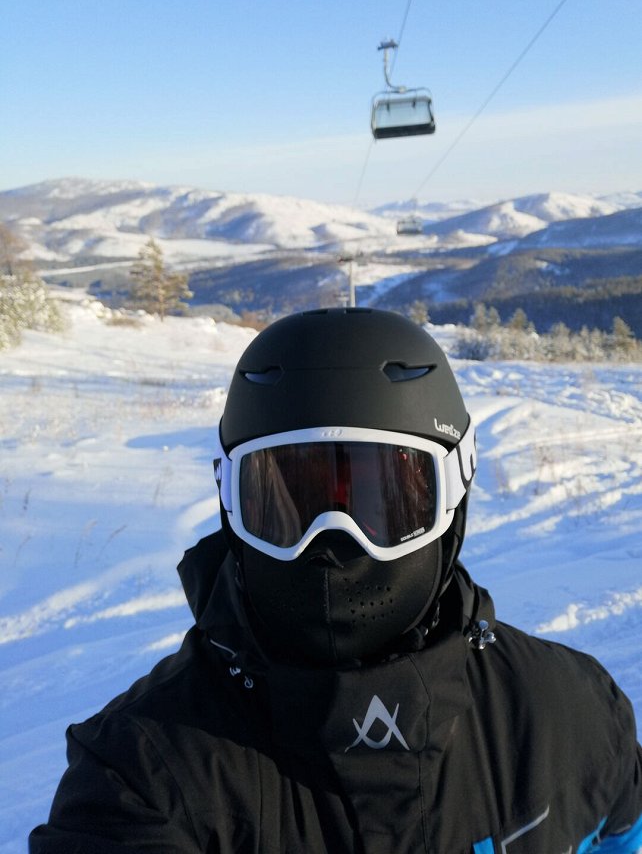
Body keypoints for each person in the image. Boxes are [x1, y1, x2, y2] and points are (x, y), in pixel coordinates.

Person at [30, 308, 642, 853]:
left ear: (453, 497)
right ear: (230, 505)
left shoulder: (572, 713)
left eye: (384, 502)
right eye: (287, 503)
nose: (331, 543)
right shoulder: (144, 776)